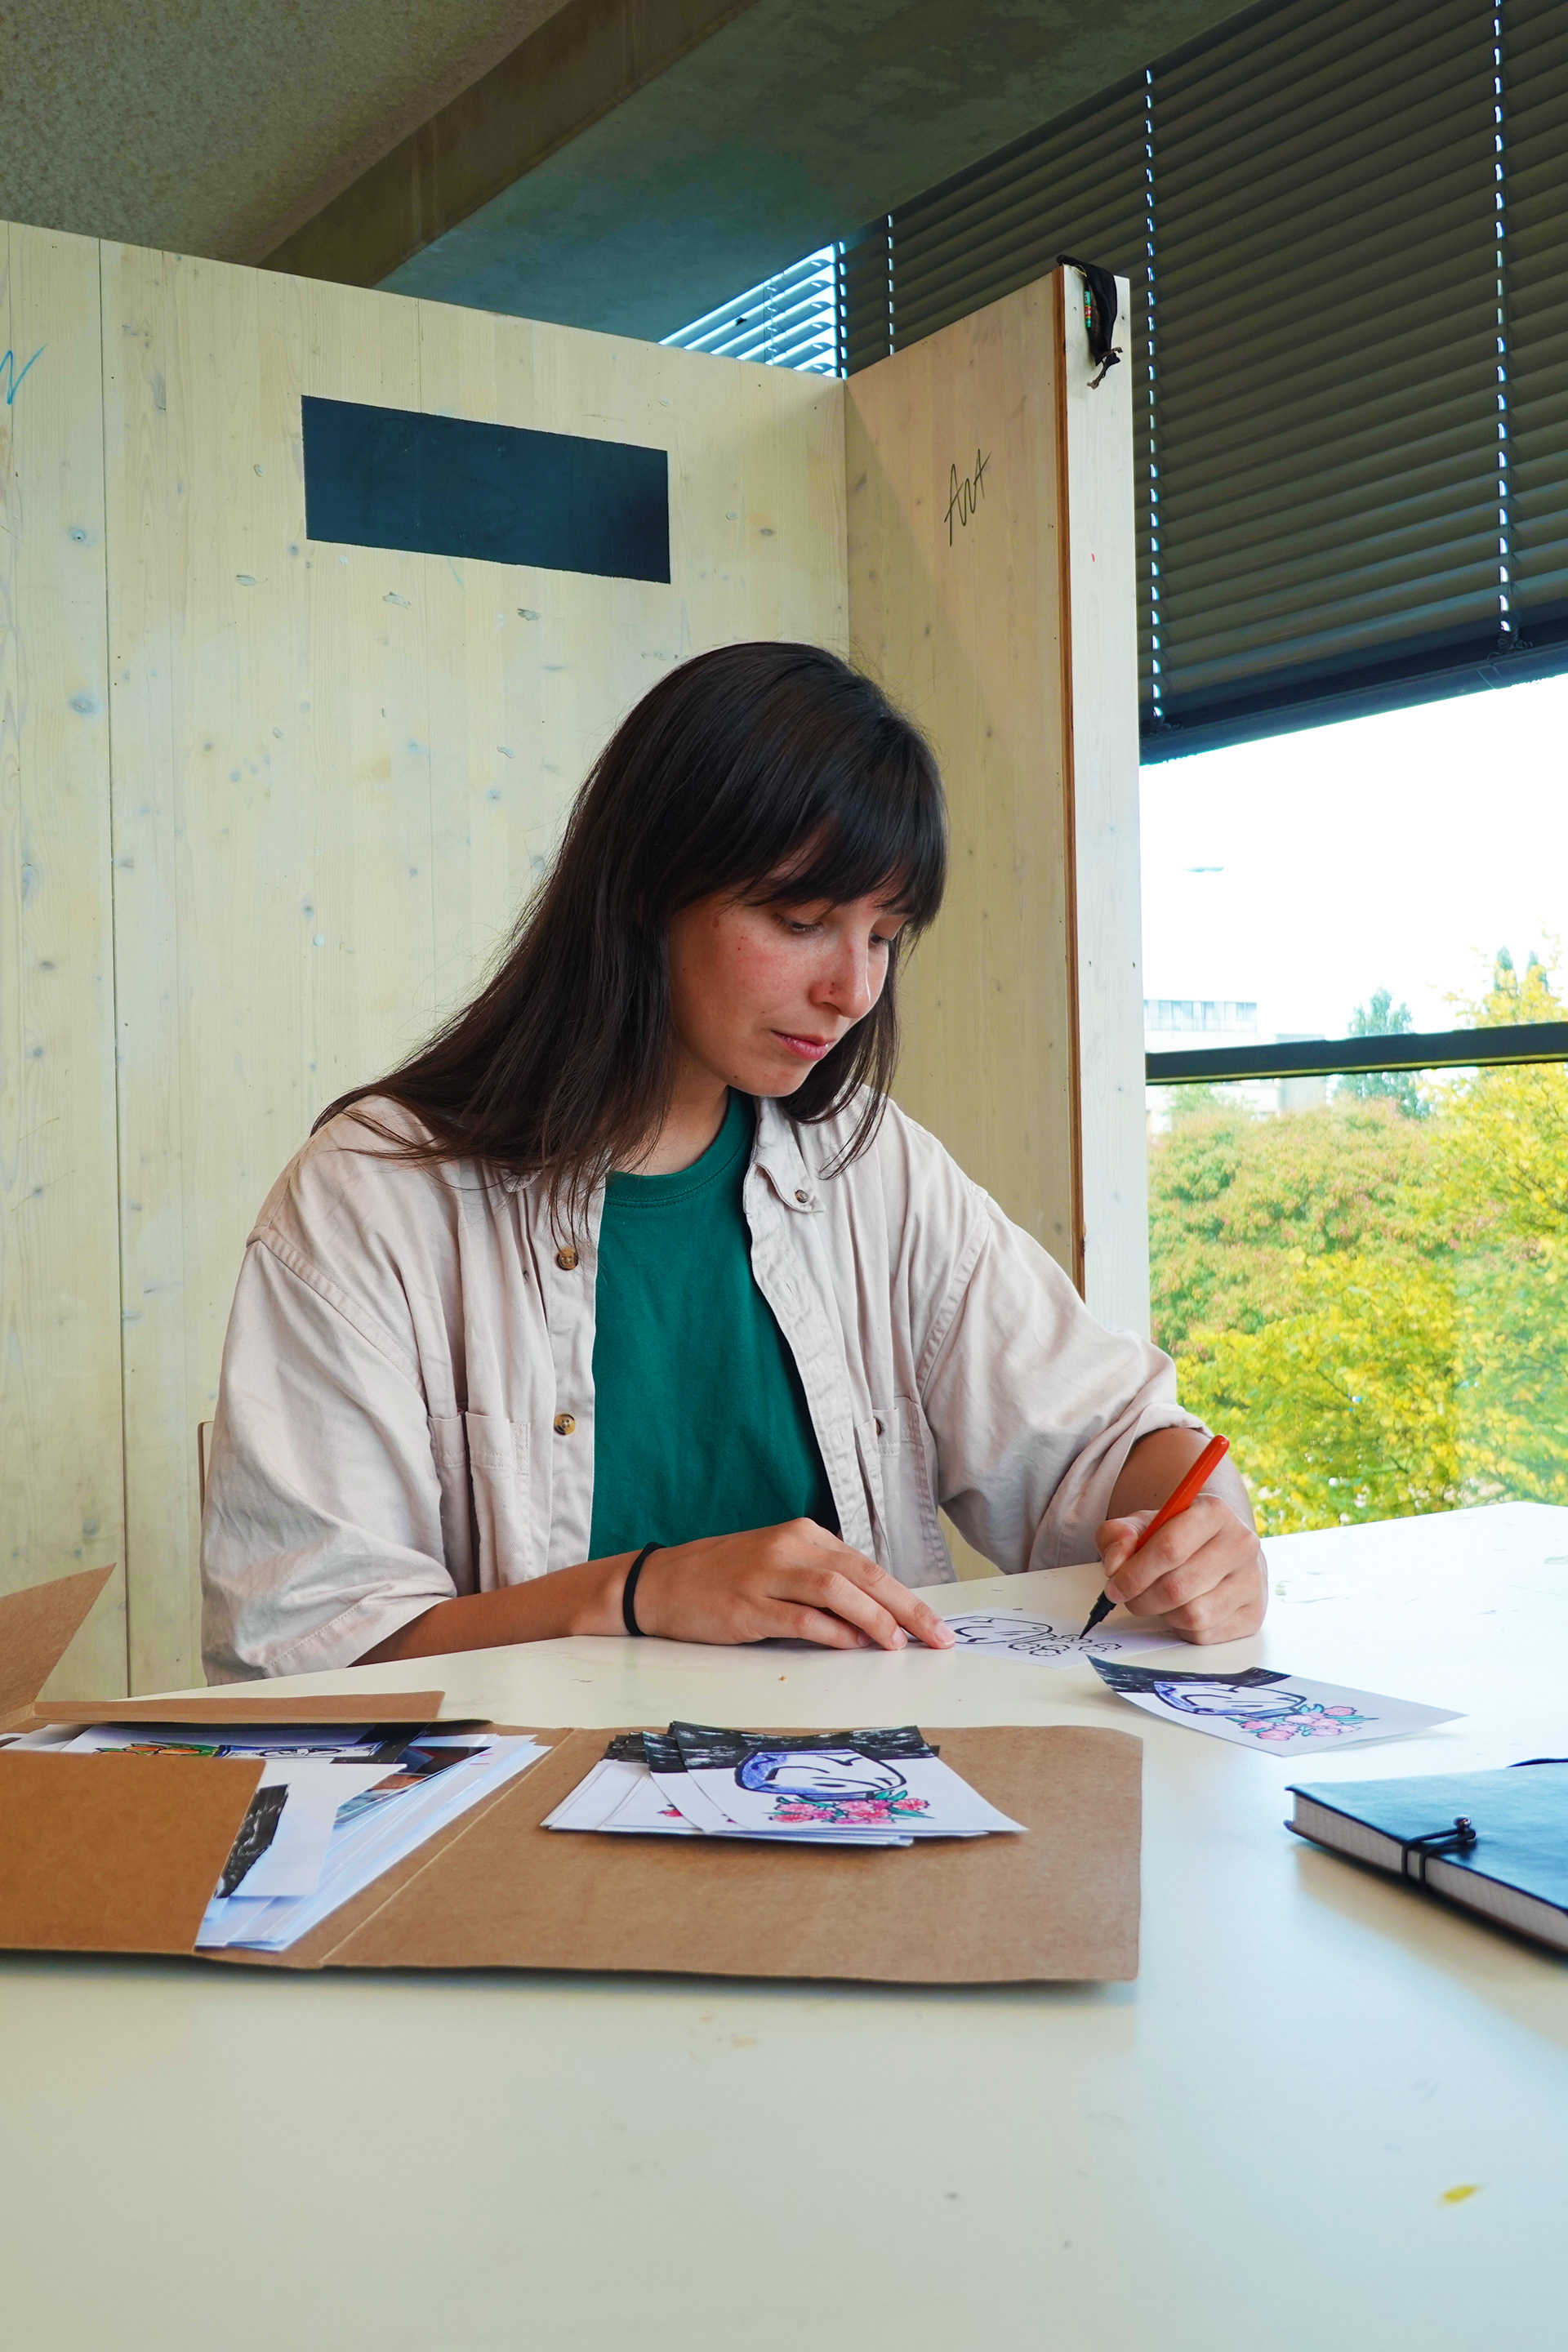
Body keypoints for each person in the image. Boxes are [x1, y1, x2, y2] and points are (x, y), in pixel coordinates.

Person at [200, 642, 1265, 1681]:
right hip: (530, 1796)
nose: (854, 991)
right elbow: (309, 1650)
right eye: (801, 920)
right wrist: (635, 1594)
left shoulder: (873, 1169)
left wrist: (1199, 1529)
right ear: (643, 891)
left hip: (864, 1781)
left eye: (884, 935)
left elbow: (1108, 1443)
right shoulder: (370, 1198)